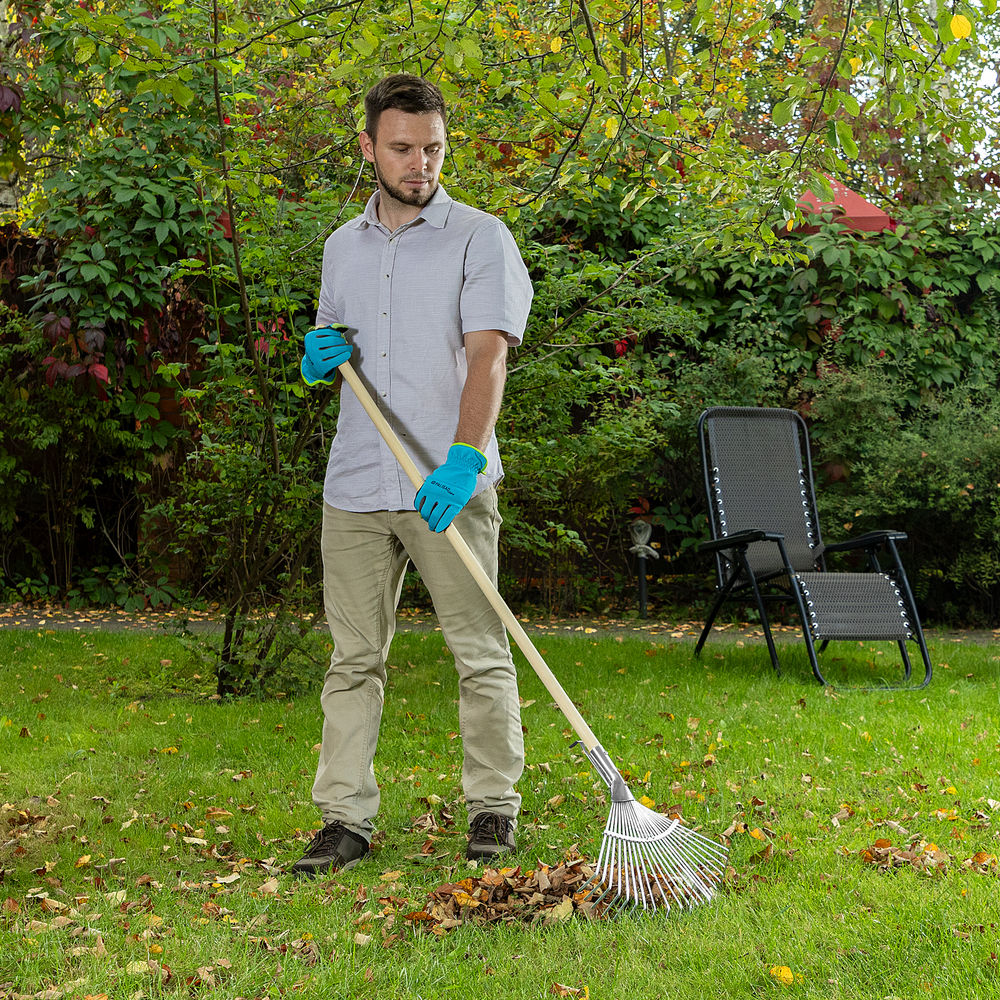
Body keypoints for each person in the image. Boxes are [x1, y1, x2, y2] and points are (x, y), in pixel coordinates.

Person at [290, 74, 534, 877]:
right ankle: (343, 819)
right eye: (401, 148)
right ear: (368, 147)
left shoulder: (480, 238)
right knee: (353, 659)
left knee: (479, 653)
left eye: (432, 148)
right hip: (357, 484)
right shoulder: (341, 247)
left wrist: (465, 460)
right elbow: (333, 343)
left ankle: (493, 808)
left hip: (445, 483)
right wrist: (318, 357)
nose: (419, 163)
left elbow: (488, 357)